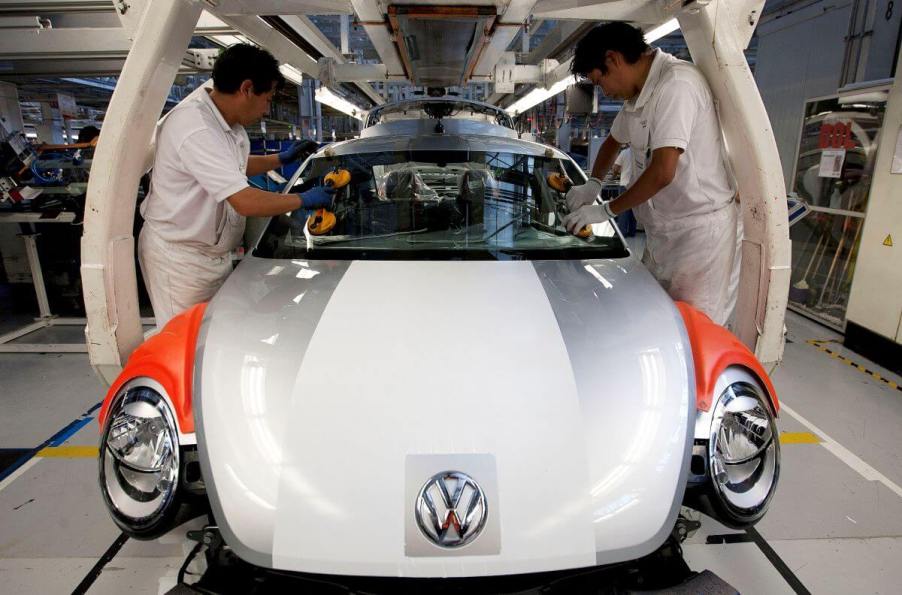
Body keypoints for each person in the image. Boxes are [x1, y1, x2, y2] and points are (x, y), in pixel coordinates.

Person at [138, 44, 331, 327]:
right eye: (267, 99)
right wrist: (303, 199)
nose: (267, 109)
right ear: (247, 88)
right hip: (181, 260)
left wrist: (280, 158)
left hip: (211, 255)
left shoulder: (229, 125)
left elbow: (233, 167)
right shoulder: (195, 127)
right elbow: (244, 201)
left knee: (215, 335)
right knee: (187, 340)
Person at [563, 23, 741, 327]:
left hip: (699, 236)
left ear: (613, 59)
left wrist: (606, 210)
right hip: (665, 233)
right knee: (661, 322)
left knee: (694, 330)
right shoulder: (638, 96)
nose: (604, 91)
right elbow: (612, 142)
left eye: (600, 80)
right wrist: (593, 183)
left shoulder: (676, 86)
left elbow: (663, 172)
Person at [611, 147, 636, 237]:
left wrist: (613, 176)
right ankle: (632, 232)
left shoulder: (624, 153)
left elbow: (615, 168)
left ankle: (622, 233)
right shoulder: (640, 152)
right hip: (636, 184)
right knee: (634, 209)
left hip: (625, 183)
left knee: (623, 209)